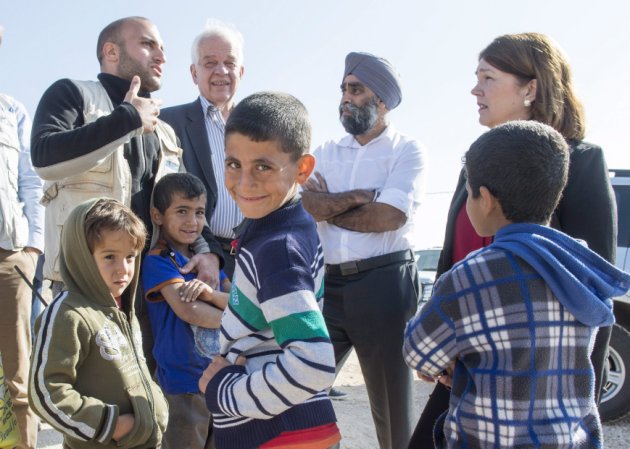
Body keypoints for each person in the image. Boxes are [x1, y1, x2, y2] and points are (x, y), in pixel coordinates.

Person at [409, 32, 618, 448]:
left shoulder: (582, 161)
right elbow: (454, 266)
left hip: (533, 385)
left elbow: (592, 295)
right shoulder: (476, 163)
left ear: (530, 88)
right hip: (466, 369)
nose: (475, 89)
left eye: (488, 77)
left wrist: (580, 405)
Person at [30, 16, 223, 372]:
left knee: (152, 397)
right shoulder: (72, 94)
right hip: (85, 285)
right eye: (148, 44)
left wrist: (207, 252)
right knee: (96, 398)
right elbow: (44, 158)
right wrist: (127, 119)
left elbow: (182, 205)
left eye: (163, 48)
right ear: (111, 51)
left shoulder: (164, 130)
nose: (161, 55)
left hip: (149, 289)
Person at [198, 92, 340, 449]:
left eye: (263, 166)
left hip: (279, 435)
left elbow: (314, 364)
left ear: (303, 169)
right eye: (233, 164)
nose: (245, 183)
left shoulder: (278, 248)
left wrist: (224, 391)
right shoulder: (282, 227)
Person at [301, 52, 426, 449]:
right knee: (301, 391)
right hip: (328, 287)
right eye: (343, 89)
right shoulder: (325, 150)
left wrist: (330, 204)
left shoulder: (407, 151)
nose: (345, 98)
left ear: (383, 101)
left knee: (393, 411)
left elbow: (388, 217)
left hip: (384, 286)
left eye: (356, 89)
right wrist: (359, 198)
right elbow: (307, 206)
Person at [29, 198, 169, 449]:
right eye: (109, 257)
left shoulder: (122, 307)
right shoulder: (68, 314)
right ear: (82, 256)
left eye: (130, 257)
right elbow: (46, 392)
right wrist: (111, 425)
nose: (123, 269)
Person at [142, 172, 229, 449]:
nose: (192, 222)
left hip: (219, 377)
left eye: (199, 212)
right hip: (182, 383)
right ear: (157, 216)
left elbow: (240, 303)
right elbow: (189, 312)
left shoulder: (207, 265)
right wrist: (235, 320)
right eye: (182, 211)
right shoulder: (159, 261)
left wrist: (210, 294)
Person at [161, 19, 245, 278]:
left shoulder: (260, 126)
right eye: (210, 63)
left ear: (241, 71)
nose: (221, 71)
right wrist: (205, 249)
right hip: (195, 259)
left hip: (252, 259)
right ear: (194, 73)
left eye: (229, 63)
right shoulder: (167, 123)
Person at [0, 23, 45, 449]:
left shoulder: (12, 109)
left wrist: (33, 246)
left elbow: (30, 183)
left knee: (18, 376)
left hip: (10, 255)